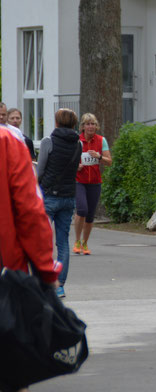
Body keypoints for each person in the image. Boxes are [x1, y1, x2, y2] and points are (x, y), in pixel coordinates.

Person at [0, 127, 61, 392]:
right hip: (6, 277)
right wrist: (47, 273)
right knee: (11, 373)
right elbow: (31, 211)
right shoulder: (7, 141)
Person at [37, 108, 82, 298]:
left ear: (57, 122)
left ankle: (45, 283)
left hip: (49, 197)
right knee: (63, 242)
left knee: (43, 242)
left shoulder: (48, 141)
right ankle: (60, 285)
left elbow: (39, 170)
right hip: (69, 197)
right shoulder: (78, 144)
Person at [72, 113, 112, 256]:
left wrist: (99, 156)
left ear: (97, 126)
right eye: (88, 124)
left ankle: (85, 242)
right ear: (82, 126)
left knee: (89, 215)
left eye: (93, 124)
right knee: (82, 209)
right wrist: (76, 165)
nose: (91, 127)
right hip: (79, 181)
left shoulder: (101, 141)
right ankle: (77, 241)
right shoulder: (76, 140)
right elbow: (69, 159)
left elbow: (109, 161)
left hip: (95, 181)